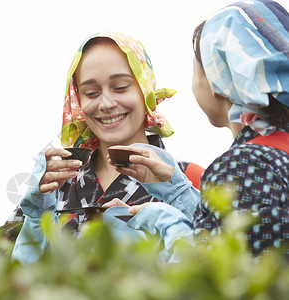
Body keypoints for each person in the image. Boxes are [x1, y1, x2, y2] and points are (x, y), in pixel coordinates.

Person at [8, 31, 202, 264]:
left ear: (145, 89)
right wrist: (35, 214)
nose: (106, 103)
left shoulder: (189, 180)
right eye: (91, 93)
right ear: (79, 99)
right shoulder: (54, 186)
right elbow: (0, 268)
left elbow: (222, 260)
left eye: (120, 87)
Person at [120, 0, 289, 257]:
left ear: (216, 82)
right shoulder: (274, 152)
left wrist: (166, 221)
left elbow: (228, 276)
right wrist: (177, 187)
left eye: (195, 69)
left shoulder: (246, 165)